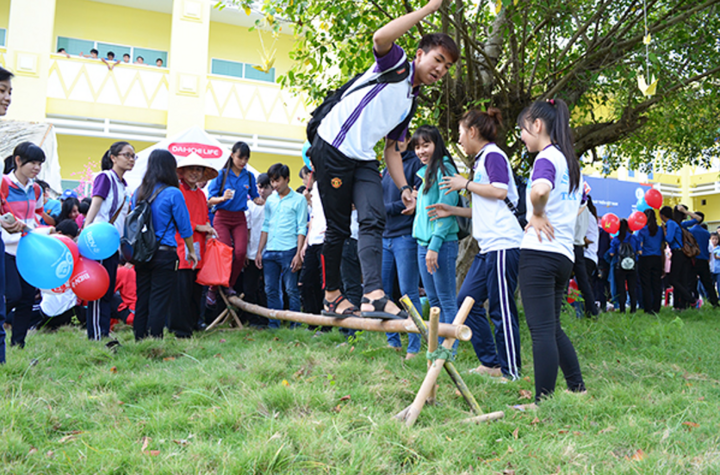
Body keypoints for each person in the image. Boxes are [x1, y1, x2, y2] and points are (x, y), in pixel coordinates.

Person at [309, 0, 459, 319]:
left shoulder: (409, 103)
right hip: (333, 146)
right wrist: (428, 9)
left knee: (374, 217)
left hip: (362, 157)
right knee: (337, 228)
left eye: (446, 67)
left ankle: (373, 295)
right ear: (421, 54)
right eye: (438, 60)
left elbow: (393, 149)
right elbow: (380, 38)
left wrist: (405, 187)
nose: (440, 70)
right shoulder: (397, 64)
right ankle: (332, 295)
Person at [433, 108, 523, 379]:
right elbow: (486, 207)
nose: (459, 140)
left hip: (504, 244)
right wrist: (453, 211)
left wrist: (466, 184)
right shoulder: (483, 159)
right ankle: (492, 363)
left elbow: (500, 191)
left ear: (472, 131)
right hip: (489, 247)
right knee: (467, 302)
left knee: (501, 309)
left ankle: (511, 371)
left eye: (461, 133)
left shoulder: (493, 155)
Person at [516, 98, 586, 406]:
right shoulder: (571, 162)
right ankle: (577, 387)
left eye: (522, 130)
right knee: (552, 327)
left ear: (537, 125)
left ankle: (542, 401)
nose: (521, 136)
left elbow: (540, 190)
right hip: (563, 255)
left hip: (540, 253)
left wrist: (537, 211)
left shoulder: (546, 158)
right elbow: (579, 205)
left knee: (541, 330)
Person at [132, 150, 196, 340]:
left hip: (141, 253)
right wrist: (191, 251)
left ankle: (139, 338)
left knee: (142, 297)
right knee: (159, 300)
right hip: (164, 254)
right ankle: (154, 340)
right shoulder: (173, 193)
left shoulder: (138, 191)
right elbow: (185, 227)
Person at [410, 126, 459, 342]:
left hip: (441, 245)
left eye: (426, 145)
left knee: (446, 300)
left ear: (437, 145)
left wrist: (434, 245)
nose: (421, 151)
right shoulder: (426, 173)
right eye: (417, 147)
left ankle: (450, 351)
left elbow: (446, 212)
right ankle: (438, 350)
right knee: (433, 301)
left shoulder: (445, 170)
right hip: (423, 244)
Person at [84, 141, 135, 341]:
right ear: (113, 157)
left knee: (107, 288)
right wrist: (86, 230)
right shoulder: (106, 177)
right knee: (98, 288)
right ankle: (96, 335)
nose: (131, 159)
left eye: (133, 156)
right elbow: (95, 204)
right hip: (99, 240)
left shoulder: (123, 185)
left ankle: (103, 332)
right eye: (127, 155)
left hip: (113, 242)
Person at [2, 142, 46, 350]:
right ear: (18, 161)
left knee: (27, 297)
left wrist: (41, 228)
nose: (36, 168)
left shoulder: (35, 188)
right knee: (13, 294)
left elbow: (37, 214)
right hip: (7, 248)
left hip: (28, 247)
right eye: (33, 163)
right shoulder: (4, 184)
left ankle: (18, 343)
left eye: (39, 164)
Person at [381, 137, 422, 358]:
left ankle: (414, 346)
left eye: (404, 137)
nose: (399, 141)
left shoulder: (415, 164)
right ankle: (392, 341)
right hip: (384, 237)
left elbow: (414, 202)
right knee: (383, 293)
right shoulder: (387, 166)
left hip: (405, 236)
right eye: (394, 138)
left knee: (409, 292)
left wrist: (383, 208)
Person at [207, 142, 264, 298]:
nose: (243, 161)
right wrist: (222, 198)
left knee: (240, 252)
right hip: (222, 217)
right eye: (240, 157)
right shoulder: (221, 174)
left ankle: (229, 284)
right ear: (232, 156)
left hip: (239, 217)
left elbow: (254, 196)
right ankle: (213, 287)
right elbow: (209, 199)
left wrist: (258, 200)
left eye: (246, 158)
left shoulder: (249, 176)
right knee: (224, 251)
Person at [171, 154, 218, 338]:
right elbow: (175, 218)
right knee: (181, 289)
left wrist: (208, 228)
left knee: (195, 289)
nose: (195, 173)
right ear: (182, 171)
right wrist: (199, 226)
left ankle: (192, 323)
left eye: (198, 170)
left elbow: (205, 217)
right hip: (181, 246)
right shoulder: (177, 191)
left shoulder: (201, 194)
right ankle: (179, 329)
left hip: (199, 247)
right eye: (191, 169)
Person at [256, 163, 307, 328]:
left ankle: (295, 325)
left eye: (277, 181)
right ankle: (274, 325)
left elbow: (301, 228)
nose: (275, 185)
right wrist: (259, 252)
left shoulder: (299, 200)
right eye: (272, 181)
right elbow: (266, 226)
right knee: (270, 289)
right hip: (270, 251)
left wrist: (298, 253)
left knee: (291, 289)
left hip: (289, 250)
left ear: (287, 179)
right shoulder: (270, 200)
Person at [243, 173, 273, 327]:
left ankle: (266, 319)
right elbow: (246, 229)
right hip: (251, 252)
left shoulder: (275, 205)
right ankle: (253, 320)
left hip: (270, 253)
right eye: (260, 187)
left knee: (266, 289)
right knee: (250, 288)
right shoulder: (250, 205)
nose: (262, 191)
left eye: (266, 187)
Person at [659, 205, 695, 310]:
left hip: (677, 253)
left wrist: (664, 231)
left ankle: (691, 299)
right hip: (682, 253)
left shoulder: (670, 223)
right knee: (682, 279)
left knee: (673, 279)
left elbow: (669, 239)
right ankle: (682, 305)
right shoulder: (675, 223)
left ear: (662, 215)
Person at [681, 210, 718, 307]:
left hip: (693, 259)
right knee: (708, 283)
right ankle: (714, 302)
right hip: (704, 260)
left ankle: (692, 301)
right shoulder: (706, 233)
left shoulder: (690, 231)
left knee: (691, 283)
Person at [608, 219, 640, 313]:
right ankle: (633, 308)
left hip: (620, 267)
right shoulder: (634, 238)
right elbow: (640, 251)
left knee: (621, 288)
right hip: (632, 266)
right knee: (632, 288)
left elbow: (611, 253)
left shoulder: (616, 239)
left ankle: (622, 309)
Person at [637, 208, 664, 314]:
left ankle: (648, 307)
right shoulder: (660, 230)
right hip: (657, 258)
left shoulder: (642, 230)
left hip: (645, 258)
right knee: (656, 284)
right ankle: (656, 307)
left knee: (646, 284)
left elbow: (640, 246)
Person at [710, 233, 720, 297]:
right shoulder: (708, 247)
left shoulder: (719, 248)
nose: (715, 240)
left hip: (718, 269)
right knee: (711, 284)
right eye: (713, 239)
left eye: (716, 239)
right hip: (711, 269)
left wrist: (717, 257)